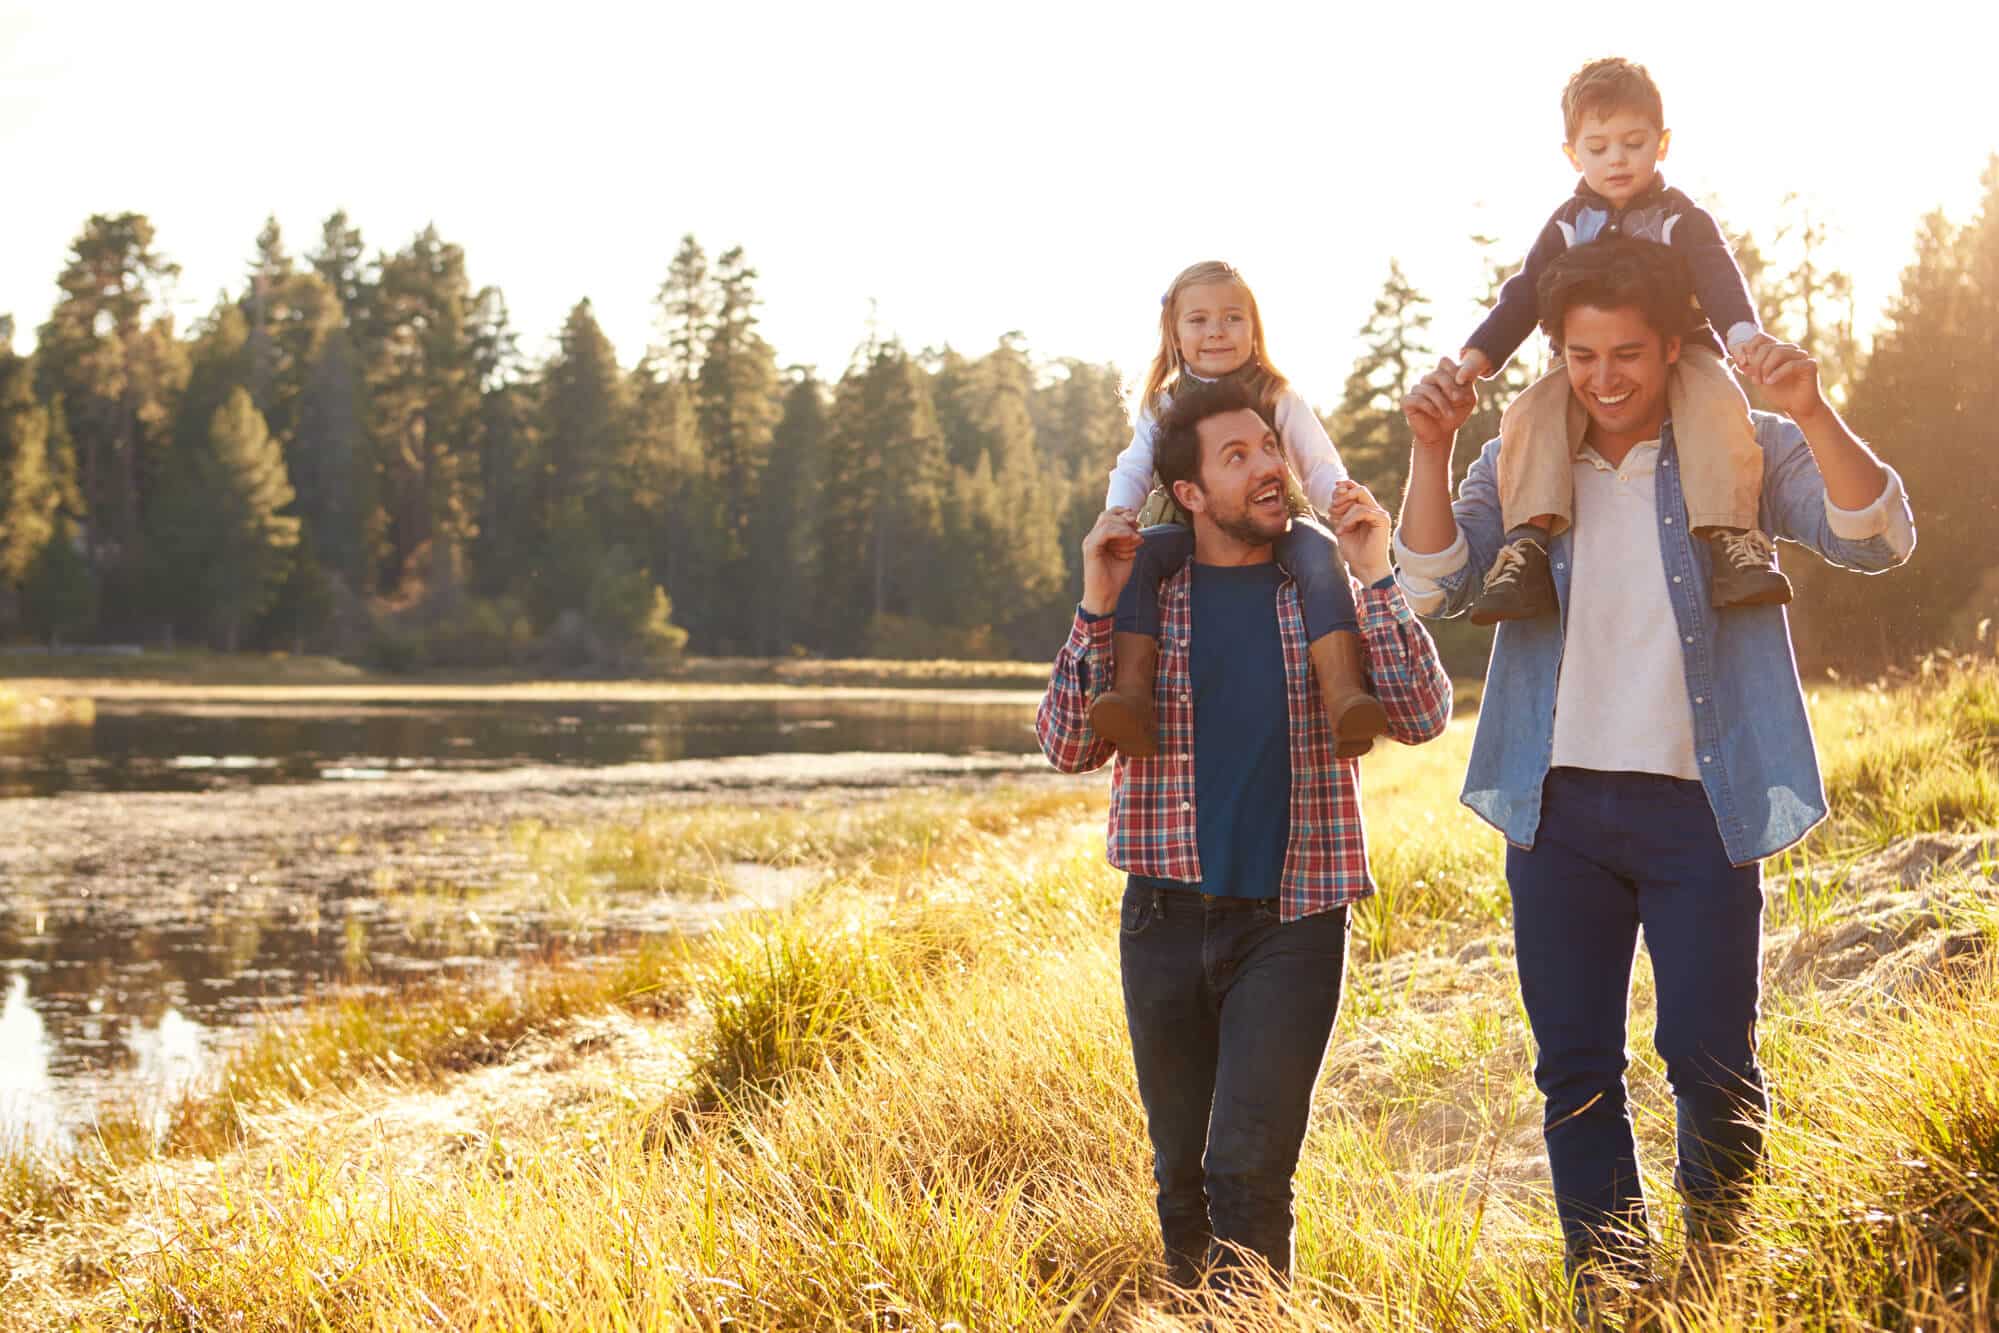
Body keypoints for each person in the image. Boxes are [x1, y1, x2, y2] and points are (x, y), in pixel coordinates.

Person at [1395, 237, 1915, 1314]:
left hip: (1699, 808)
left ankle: (1717, 1270)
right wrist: (1431, 450)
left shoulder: (1741, 443)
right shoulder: (1521, 459)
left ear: (1671, 344)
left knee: (1708, 1056)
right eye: (1580, 356)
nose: (1604, 379)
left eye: (1626, 353)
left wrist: (1814, 410)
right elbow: (1432, 587)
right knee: (1575, 1065)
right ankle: (1611, 1287)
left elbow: (1876, 538)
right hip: (1558, 810)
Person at [1037, 376, 1453, 1293]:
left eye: (1270, 447)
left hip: (1293, 921)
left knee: (1246, 1176)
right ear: (1188, 494)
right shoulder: (1153, 593)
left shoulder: (1322, 589)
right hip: (1163, 919)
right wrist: (1096, 599)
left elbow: (1423, 715)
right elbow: (1067, 743)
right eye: (1239, 457)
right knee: (1180, 1182)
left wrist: (1375, 568)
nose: (1271, 467)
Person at [1453, 55, 1793, 625]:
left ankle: (1733, 537)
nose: (1617, 159)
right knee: (1531, 412)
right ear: (1573, 154)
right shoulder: (1567, 225)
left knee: (1717, 403)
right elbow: (1525, 292)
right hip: (1585, 360)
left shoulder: (1678, 217)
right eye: (1599, 146)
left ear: (1661, 145)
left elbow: (1716, 276)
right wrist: (1478, 355)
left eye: (1633, 144)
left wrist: (1742, 334)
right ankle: (1528, 545)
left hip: (1683, 351)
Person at [1088, 260, 1387, 760]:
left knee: (1319, 554)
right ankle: (1133, 696)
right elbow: (1135, 464)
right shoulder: (1161, 405)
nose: (1217, 332)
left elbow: (1316, 460)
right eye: (1199, 320)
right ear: (1175, 335)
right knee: (1140, 560)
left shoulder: (1275, 394)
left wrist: (1341, 501)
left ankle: (1343, 696)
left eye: (1232, 318)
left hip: (1273, 522)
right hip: (1179, 527)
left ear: (1254, 329)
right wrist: (1119, 514)